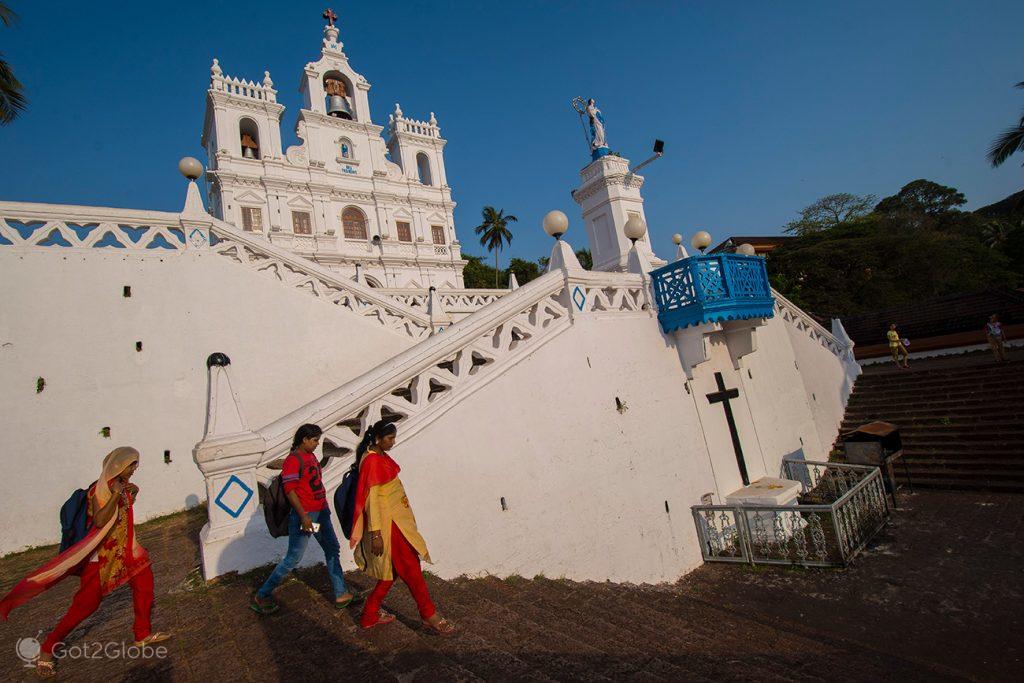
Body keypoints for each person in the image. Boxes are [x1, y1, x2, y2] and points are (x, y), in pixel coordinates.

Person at [0, 447, 170, 678]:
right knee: (85, 606)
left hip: (127, 550)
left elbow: (124, 511)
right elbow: (100, 520)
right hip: (101, 558)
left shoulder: (122, 485)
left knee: (144, 587)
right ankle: (48, 649)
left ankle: (142, 634)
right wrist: (116, 495)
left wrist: (132, 491)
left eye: (135, 465)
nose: (134, 469)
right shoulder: (98, 490)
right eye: (132, 465)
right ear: (119, 465)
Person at [351, 420, 454, 635]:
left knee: (392, 572)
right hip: (391, 527)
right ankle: (428, 614)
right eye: (389, 438)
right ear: (378, 439)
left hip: (397, 522)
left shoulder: (376, 455)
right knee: (412, 572)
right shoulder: (372, 461)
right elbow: (373, 500)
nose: (393, 442)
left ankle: (369, 614)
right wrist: (376, 533)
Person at [251, 424, 354, 614]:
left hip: (320, 512)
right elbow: (290, 491)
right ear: (304, 439)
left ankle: (341, 593)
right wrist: (304, 517)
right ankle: (262, 594)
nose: (316, 444)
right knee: (293, 557)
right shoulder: (293, 460)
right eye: (314, 440)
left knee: (332, 548)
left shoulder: (311, 457)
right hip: (305, 518)